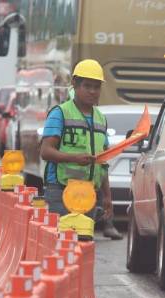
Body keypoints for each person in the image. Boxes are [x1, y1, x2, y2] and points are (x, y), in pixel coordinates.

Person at [39, 59, 122, 240]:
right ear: (75, 85)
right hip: (60, 190)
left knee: (83, 243)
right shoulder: (59, 113)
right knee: (61, 242)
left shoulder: (101, 119)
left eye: (96, 87)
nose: (92, 91)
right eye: (87, 86)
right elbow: (46, 151)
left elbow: (102, 162)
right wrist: (74, 158)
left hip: (87, 195)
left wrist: (107, 197)